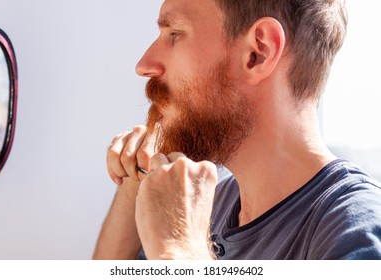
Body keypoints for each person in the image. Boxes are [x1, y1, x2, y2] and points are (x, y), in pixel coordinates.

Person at [93, 0, 381, 260]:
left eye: (175, 34)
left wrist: (181, 249)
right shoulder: (204, 206)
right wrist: (138, 179)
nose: (144, 65)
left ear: (258, 52)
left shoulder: (355, 230)